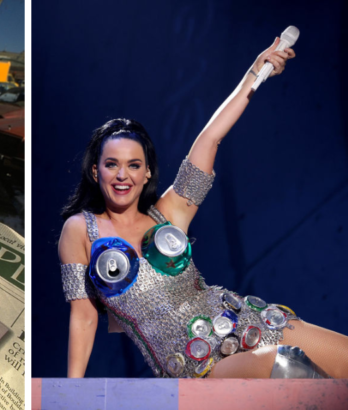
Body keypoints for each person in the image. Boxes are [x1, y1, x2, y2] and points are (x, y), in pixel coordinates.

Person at [59, 38, 348, 379]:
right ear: (96, 171)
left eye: (134, 165)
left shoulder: (169, 213)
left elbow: (210, 138)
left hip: (244, 323)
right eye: (112, 164)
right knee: (280, 363)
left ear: (147, 171)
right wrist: (70, 391)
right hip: (197, 365)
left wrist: (256, 71)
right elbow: (84, 317)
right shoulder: (80, 230)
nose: (123, 175)